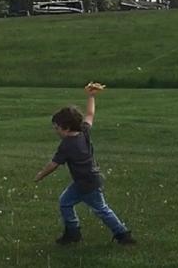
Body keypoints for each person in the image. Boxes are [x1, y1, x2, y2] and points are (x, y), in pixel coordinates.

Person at [34, 83, 136, 245]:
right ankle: (73, 232)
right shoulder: (83, 131)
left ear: (66, 128)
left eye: (57, 128)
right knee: (65, 202)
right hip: (87, 180)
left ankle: (123, 234)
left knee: (101, 209)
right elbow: (90, 114)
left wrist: (39, 175)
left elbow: (54, 164)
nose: (56, 131)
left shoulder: (67, 145)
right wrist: (91, 96)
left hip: (87, 184)